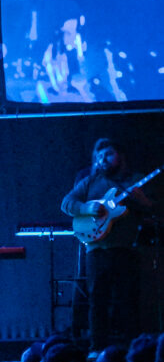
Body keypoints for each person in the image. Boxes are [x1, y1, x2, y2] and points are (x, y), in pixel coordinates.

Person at [62, 138, 155, 350]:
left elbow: (153, 207)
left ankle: (133, 351)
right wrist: (87, 208)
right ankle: (97, 350)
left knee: (128, 302)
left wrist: (143, 201)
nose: (103, 159)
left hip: (126, 250)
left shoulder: (135, 180)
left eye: (109, 154)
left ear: (120, 156)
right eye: (99, 156)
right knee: (97, 302)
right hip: (97, 250)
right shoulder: (89, 182)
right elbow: (67, 203)